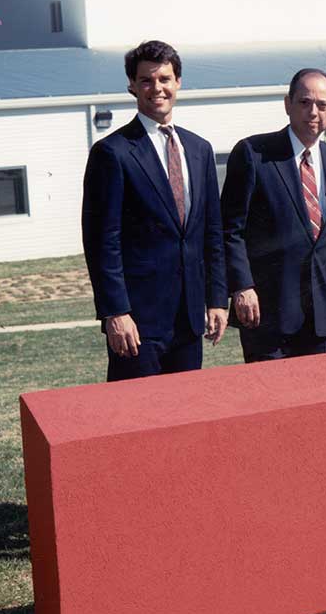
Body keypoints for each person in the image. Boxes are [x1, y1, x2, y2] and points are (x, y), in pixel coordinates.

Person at [82, 40, 228, 381]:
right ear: (132, 86)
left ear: (178, 82)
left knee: (184, 418)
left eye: (164, 78)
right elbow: (103, 242)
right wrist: (116, 313)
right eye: (146, 80)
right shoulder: (113, 153)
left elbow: (211, 232)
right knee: (134, 422)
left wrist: (217, 299)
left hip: (190, 319)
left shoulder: (199, 149)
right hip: (138, 323)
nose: (156, 88)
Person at [220, 69, 326, 360]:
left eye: (323, 105)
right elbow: (230, 230)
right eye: (304, 102)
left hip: (322, 318)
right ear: (288, 104)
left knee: (321, 402)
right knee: (270, 402)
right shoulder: (254, 154)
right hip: (266, 313)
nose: (313, 112)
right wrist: (241, 286)